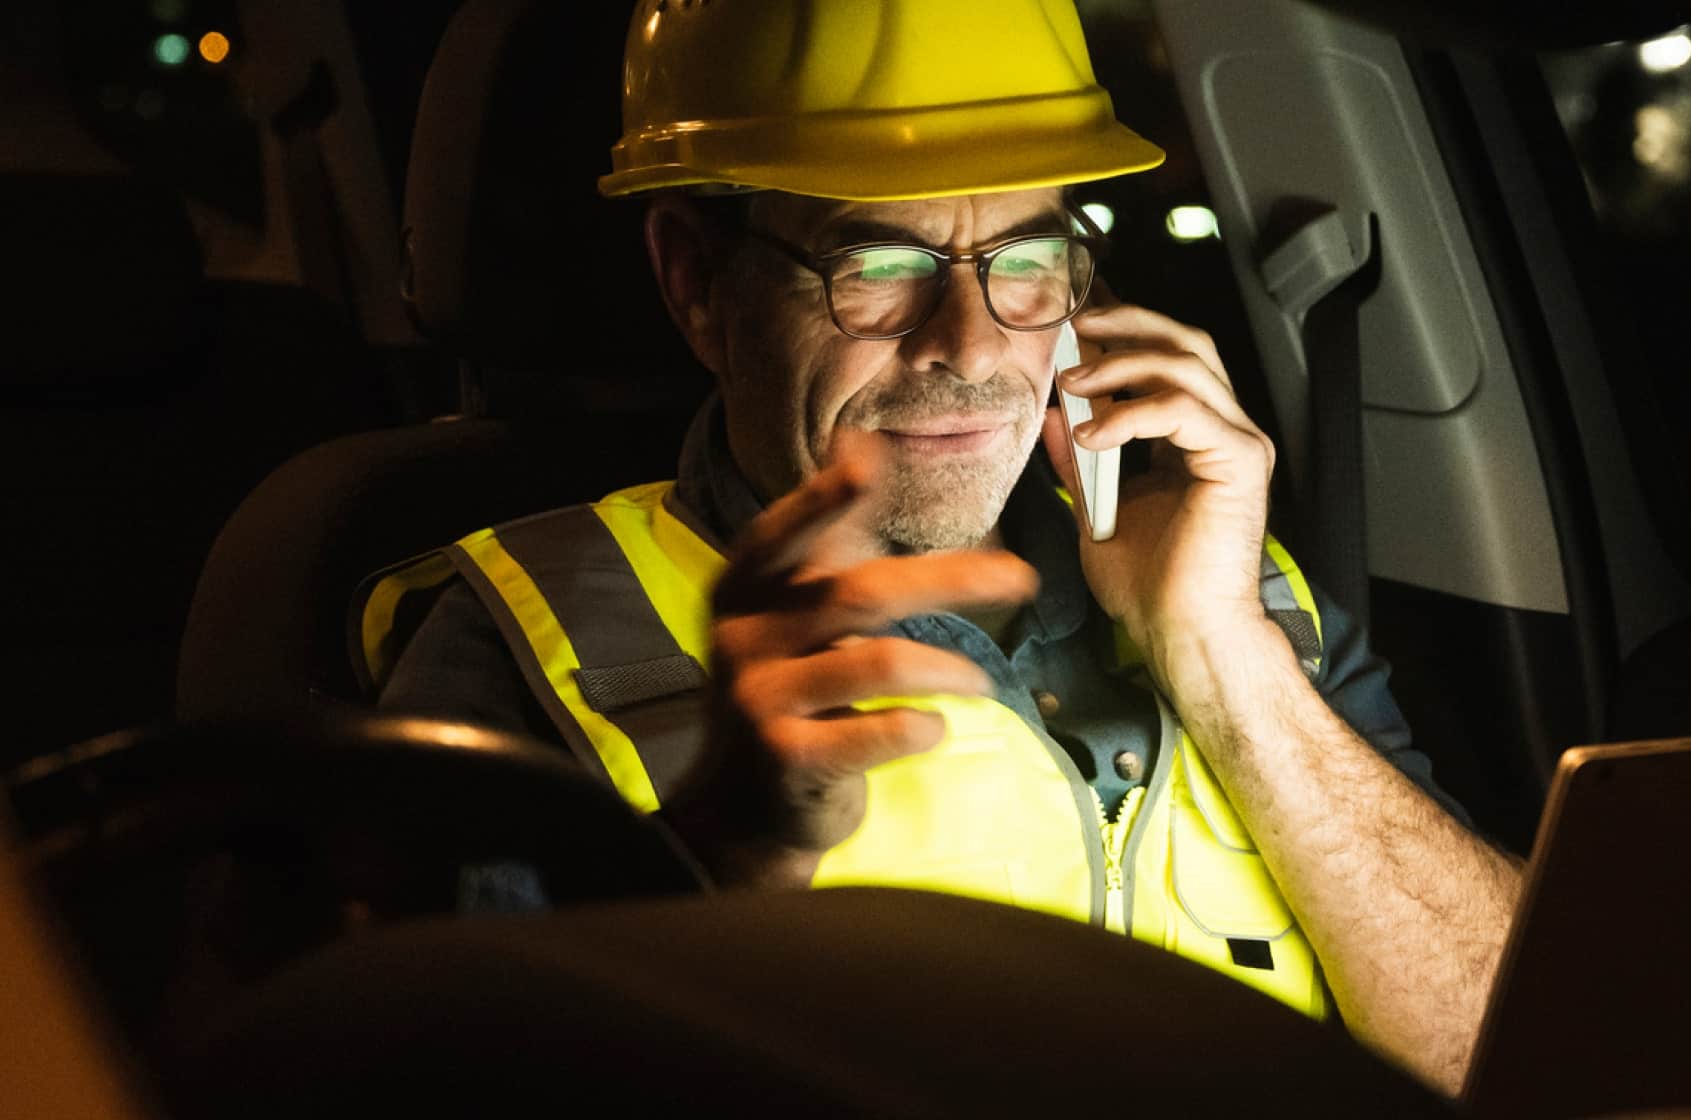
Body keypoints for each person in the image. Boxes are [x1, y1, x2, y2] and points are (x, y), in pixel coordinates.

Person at [362, 0, 1518, 1091]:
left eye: (1024, 262)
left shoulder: (1239, 590)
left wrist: (1222, 658)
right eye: (879, 268)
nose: (967, 345)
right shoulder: (536, 649)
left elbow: (1515, 1057)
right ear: (698, 283)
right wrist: (723, 862)